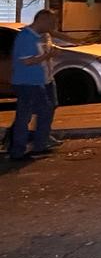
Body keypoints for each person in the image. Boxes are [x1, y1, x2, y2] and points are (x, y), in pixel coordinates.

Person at [8, 9, 59, 161]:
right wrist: (48, 56)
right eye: (50, 23)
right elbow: (26, 61)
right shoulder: (26, 37)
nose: (52, 26)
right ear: (41, 20)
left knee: (46, 109)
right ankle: (20, 149)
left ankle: (39, 143)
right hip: (28, 82)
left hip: (43, 80)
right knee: (28, 114)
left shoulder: (42, 36)